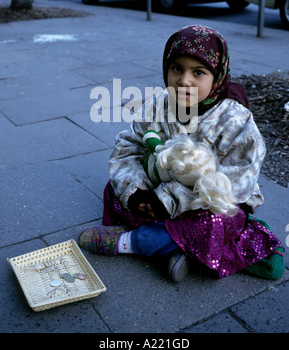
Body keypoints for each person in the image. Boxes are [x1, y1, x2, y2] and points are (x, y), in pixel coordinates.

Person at [78, 25, 284, 282]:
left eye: (198, 72)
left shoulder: (236, 120)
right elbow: (128, 148)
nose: (184, 80)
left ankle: (133, 241)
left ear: (217, 76)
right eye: (177, 68)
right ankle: (177, 248)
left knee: (220, 221)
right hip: (156, 196)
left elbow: (236, 182)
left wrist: (170, 201)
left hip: (205, 202)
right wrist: (138, 194)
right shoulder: (157, 104)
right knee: (115, 189)